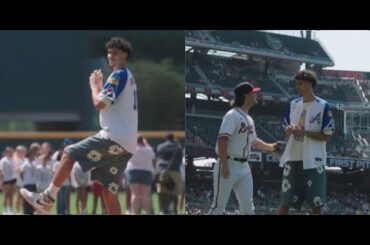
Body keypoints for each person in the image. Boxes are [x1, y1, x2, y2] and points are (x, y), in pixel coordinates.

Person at [21, 36, 138, 215]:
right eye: (109, 52)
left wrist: (94, 86)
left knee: (69, 153)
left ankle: (47, 198)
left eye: (116, 53)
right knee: (109, 191)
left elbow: (100, 104)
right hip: (128, 144)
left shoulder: (119, 74)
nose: (111, 56)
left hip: (114, 137)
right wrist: (100, 87)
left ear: (125, 55)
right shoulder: (129, 77)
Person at [209, 82, 277, 215]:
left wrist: (271, 147)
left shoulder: (249, 119)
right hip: (228, 163)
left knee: (248, 208)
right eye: (254, 92)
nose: (256, 95)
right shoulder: (232, 115)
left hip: (244, 167)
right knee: (218, 206)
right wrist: (225, 165)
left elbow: (254, 142)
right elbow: (222, 140)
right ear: (246, 95)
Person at [278, 70, 334, 215]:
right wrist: (290, 129)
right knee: (285, 202)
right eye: (297, 84)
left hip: (314, 160)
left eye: (300, 84)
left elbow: (327, 136)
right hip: (293, 157)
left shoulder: (323, 106)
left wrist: (305, 133)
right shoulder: (292, 104)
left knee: (316, 205)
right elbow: (285, 129)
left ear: (310, 84)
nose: (297, 87)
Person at [126, 136, 155, 214]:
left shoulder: (132, 149)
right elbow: (153, 156)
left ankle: (135, 213)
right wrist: (147, 144)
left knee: (134, 194)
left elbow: (128, 159)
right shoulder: (148, 149)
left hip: (133, 172)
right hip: (146, 172)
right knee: (145, 195)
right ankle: (147, 212)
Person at [155, 134, 183, 214]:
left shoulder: (160, 146)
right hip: (175, 170)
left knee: (163, 192)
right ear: (173, 138)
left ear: (166, 138)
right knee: (175, 192)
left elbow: (158, 157)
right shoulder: (178, 147)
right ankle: (175, 210)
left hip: (162, 171)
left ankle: (164, 210)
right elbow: (180, 160)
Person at [0, 147, 16, 214]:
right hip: (6, 180)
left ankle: (10, 210)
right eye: (9, 152)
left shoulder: (13, 160)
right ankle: (5, 210)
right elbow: (1, 171)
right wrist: (1, 181)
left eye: (11, 152)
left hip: (12, 179)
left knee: (11, 195)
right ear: (6, 152)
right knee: (6, 195)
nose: (11, 153)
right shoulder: (3, 160)